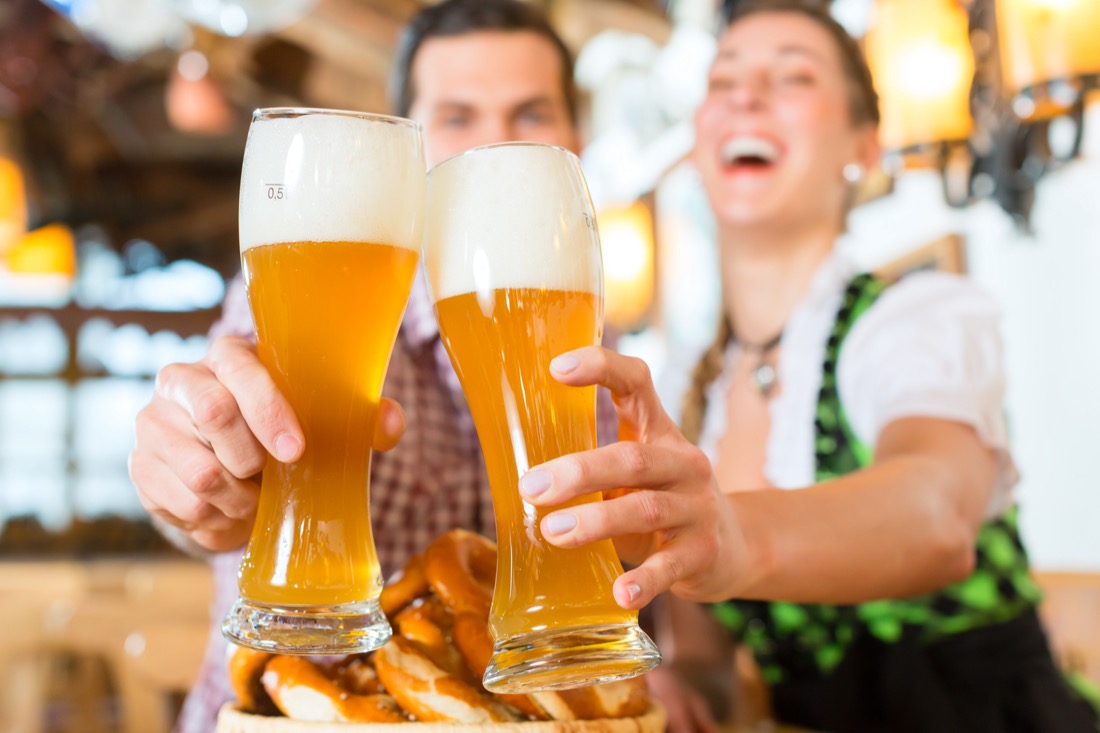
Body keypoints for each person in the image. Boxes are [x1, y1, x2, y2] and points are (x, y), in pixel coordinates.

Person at [128, 2, 714, 731]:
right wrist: (191, 476)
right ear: (405, 156)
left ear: (578, 138)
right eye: (458, 118)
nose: (495, 145)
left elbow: (652, 540)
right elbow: (225, 429)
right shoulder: (326, 288)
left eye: (530, 115)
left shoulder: (588, 332)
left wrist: (683, 651)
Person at [516, 1, 1100, 731]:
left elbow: (939, 512)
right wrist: (675, 688)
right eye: (722, 80)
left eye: (791, 76)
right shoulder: (696, 391)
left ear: (863, 141)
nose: (746, 95)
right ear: (700, 143)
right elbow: (711, 669)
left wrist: (736, 532)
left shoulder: (913, 317)